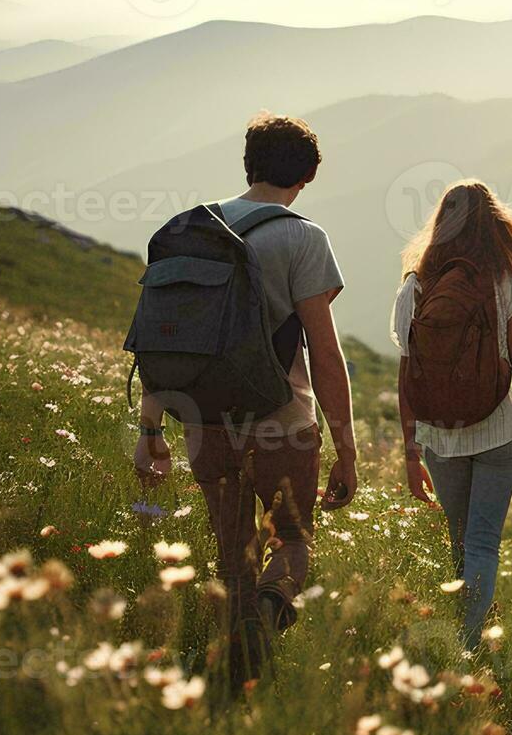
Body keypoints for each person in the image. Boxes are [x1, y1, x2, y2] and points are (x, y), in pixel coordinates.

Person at [134, 112, 357, 693]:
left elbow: (165, 337)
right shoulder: (304, 238)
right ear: (307, 175)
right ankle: (267, 618)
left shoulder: (189, 230)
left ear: (248, 165)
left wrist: (150, 430)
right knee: (291, 542)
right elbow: (325, 352)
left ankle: (236, 677)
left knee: (233, 555)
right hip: (281, 420)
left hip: (204, 419)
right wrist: (347, 449)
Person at [393, 182, 512, 652]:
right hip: (496, 433)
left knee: (460, 542)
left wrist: (411, 452)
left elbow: (408, 374)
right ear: (492, 227)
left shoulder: (415, 285)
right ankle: (471, 644)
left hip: (439, 437)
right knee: (483, 541)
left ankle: (464, 629)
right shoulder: (505, 283)